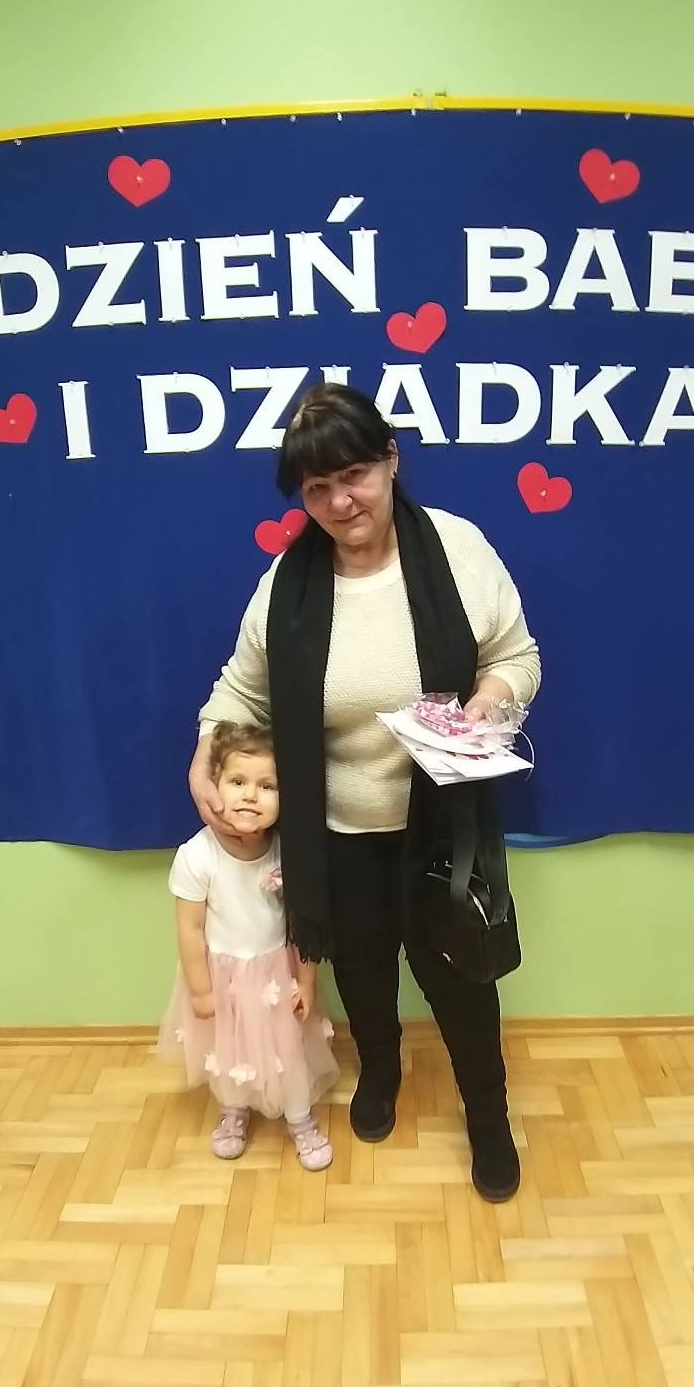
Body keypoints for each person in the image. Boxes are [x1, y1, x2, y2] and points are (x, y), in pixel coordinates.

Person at [188, 383, 541, 1202]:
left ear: (391, 459)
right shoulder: (288, 583)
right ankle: (380, 1069)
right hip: (337, 833)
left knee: (459, 977)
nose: (341, 501)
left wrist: (490, 701)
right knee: (363, 970)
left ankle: (488, 1116)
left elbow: (516, 655)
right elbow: (241, 689)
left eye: (354, 475)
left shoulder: (457, 549)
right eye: (318, 488)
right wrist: (204, 750)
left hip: (442, 824)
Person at [161, 721, 338, 1168]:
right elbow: (189, 929)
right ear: (214, 786)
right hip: (223, 979)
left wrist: (307, 980)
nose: (250, 796)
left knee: (288, 1051)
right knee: (231, 1049)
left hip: (277, 976)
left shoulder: (286, 852)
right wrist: (201, 990)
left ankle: (300, 1118)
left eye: (267, 786)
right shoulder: (197, 855)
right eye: (237, 782)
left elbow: (302, 924)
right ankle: (234, 1110)